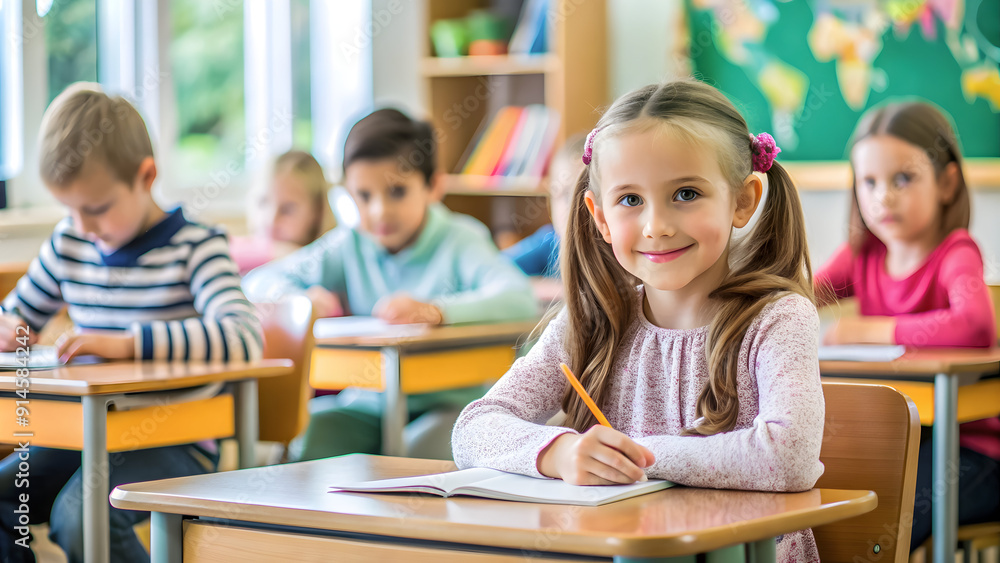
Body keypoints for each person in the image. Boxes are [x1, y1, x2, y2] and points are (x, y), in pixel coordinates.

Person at [451, 80, 826, 561]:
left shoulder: (777, 318)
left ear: (743, 200)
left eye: (686, 193)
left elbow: (789, 457)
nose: (656, 226)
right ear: (600, 217)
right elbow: (474, 427)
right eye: (630, 200)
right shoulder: (591, 319)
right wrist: (561, 453)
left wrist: (636, 457)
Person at [0, 83, 262, 562]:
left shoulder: (197, 248)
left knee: (81, 516)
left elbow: (243, 337)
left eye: (96, 208)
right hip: (84, 431)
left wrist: (128, 343)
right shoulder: (69, 244)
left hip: (173, 435)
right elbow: (17, 315)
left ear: (147, 176)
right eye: (69, 209)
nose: (82, 225)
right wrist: (8, 328)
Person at [243, 108, 536, 460]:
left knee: (416, 449)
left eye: (397, 191)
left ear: (433, 186)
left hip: (450, 405)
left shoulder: (461, 239)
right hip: (370, 404)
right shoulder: (348, 244)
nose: (380, 211)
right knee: (314, 435)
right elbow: (258, 282)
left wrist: (437, 311)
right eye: (364, 196)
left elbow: (519, 299)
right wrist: (300, 300)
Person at [814, 101, 998, 551]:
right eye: (869, 183)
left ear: (947, 183)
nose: (884, 198)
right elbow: (799, 293)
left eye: (903, 179)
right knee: (832, 498)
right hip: (904, 441)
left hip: (972, 453)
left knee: (883, 521)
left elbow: (974, 326)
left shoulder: (956, 251)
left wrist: (869, 329)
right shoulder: (864, 254)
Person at [230, 150, 337, 276]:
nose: (271, 220)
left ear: (317, 212)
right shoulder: (232, 248)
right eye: (263, 202)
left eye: (287, 209)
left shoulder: (329, 266)